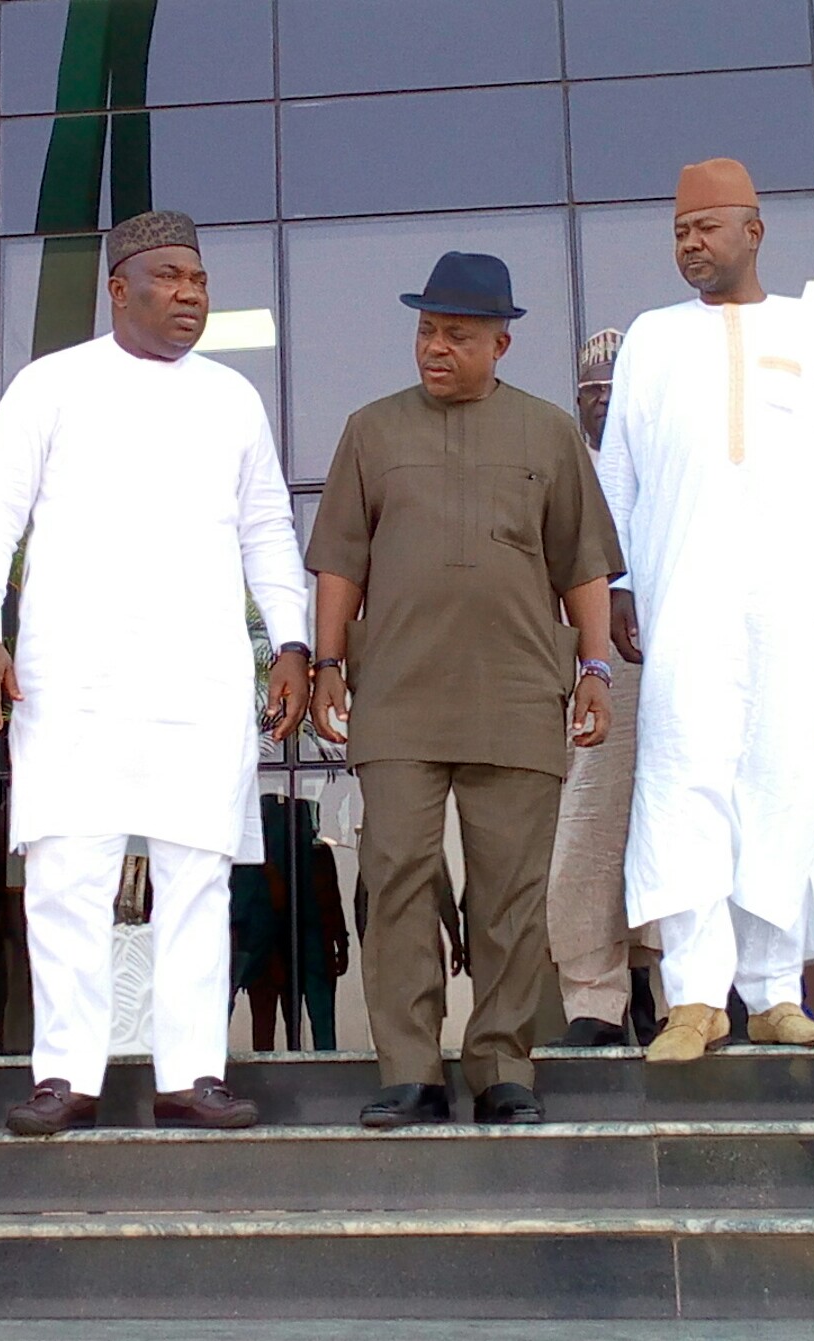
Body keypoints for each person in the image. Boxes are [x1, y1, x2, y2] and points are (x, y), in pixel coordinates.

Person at [0, 209, 309, 1136]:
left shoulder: (231, 396)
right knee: (71, 869)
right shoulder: (51, 385)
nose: (191, 294)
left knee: (197, 873)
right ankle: (65, 1074)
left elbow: (270, 528)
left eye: (198, 279)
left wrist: (294, 644)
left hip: (199, 673)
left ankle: (191, 1072)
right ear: (119, 289)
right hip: (74, 672)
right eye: (170, 278)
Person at [307, 252, 624, 1127]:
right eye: (425, 330)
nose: (434, 347)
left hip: (520, 692)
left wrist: (594, 670)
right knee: (399, 876)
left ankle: (500, 1065)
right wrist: (330, 663)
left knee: (512, 890)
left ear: (501, 343)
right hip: (398, 695)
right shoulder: (371, 431)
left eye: (455, 334)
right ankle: (410, 1069)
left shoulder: (550, 433)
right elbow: (339, 559)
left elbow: (583, 565)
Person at [598, 158, 814, 1064]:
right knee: (682, 781)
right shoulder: (652, 337)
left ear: (753, 231)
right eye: (679, 232)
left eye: (706, 229)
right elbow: (620, 476)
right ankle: (694, 997)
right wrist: (617, 585)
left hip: (792, 601)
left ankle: (771, 994)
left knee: (783, 783)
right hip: (685, 598)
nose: (690, 244)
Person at [547, 328, 663, 1048]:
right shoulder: (562, 474)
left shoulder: (670, 468)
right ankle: (596, 998)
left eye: (616, 396)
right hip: (594, 677)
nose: (603, 409)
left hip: (676, 668)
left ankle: (673, 987)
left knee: (676, 821)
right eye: (592, 396)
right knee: (588, 833)